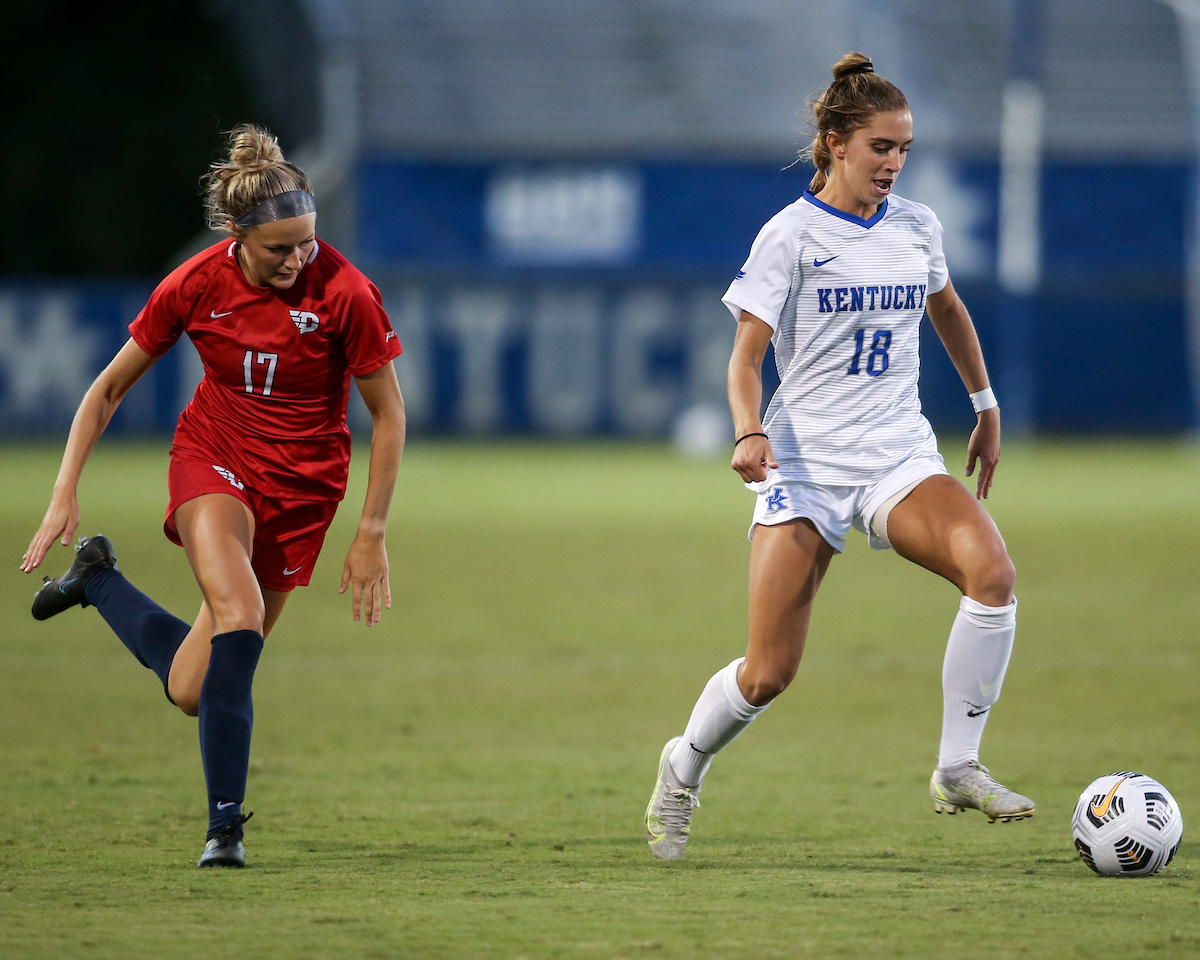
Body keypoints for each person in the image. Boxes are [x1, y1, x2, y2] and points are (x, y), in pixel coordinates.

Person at [644, 53, 1033, 860]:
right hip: (805, 463)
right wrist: (749, 432)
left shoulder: (917, 227)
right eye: (880, 147)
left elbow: (949, 309)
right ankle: (682, 768)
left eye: (903, 150)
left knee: (992, 574)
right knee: (767, 674)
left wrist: (985, 405)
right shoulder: (790, 236)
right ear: (835, 144)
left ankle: (958, 764)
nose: (893, 163)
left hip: (896, 453)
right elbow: (745, 357)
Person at [20, 125, 406, 868]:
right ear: (235, 233)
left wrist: (372, 530)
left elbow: (388, 414)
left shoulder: (346, 292)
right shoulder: (195, 283)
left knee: (196, 687)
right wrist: (64, 489)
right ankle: (223, 828)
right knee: (240, 613)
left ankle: (98, 579)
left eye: (308, 243)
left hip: (304, 491)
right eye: (280, 249)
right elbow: (105, 391)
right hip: (215, 461)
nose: (300, 259)